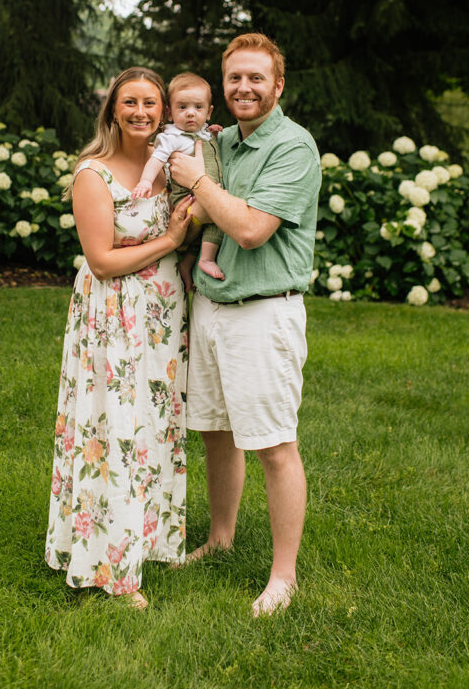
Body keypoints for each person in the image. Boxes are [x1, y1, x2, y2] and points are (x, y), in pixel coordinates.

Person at [169, 33, 321, 617]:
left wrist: (198, 183)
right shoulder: (221, 140)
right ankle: (221, 538)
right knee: (216, 432)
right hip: (211, 305)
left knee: (275, 445)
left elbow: (253, 230)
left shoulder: (293, 147)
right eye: (234, 78)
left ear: (278, 85)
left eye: (257, 78)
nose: (244, 88)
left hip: (263, 311)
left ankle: (284, 578)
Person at [45, 67, 192, 610]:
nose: (140, 112)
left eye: (150, 103)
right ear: (111, 111)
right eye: (129, 102)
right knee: (114, 430)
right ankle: (108, 566)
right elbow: (103, 261)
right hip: (114, 313)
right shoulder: (94, 173)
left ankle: (146, 541)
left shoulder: (171, 165)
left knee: (152, 427)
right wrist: (171, 239)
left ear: (165, 110)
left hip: (159, 315)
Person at [132, 71, 224, 281]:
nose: (191, 113)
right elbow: (156, 159)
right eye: (183, 107)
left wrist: (213, 132)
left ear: (209, 112)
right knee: (212, 220)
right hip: (187, 197)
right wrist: (146, 180)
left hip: (209, 192)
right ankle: (204, 259)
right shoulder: (171, 138)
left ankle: (195, 260)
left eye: (198, 107)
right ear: (170, 112)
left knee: (217, 224)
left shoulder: (205, 132)